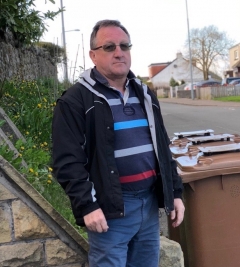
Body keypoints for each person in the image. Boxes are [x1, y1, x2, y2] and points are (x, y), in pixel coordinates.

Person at [52, 19, 185, 267]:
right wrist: (87, 205)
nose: (119, 52)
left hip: (148, 205)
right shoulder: (75, 101)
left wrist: (174, 192)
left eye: (124, 46)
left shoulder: (145, 95)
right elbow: (66, 161)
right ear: (93, 55)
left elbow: (162, 148)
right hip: (111, 210)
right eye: (109, 47)